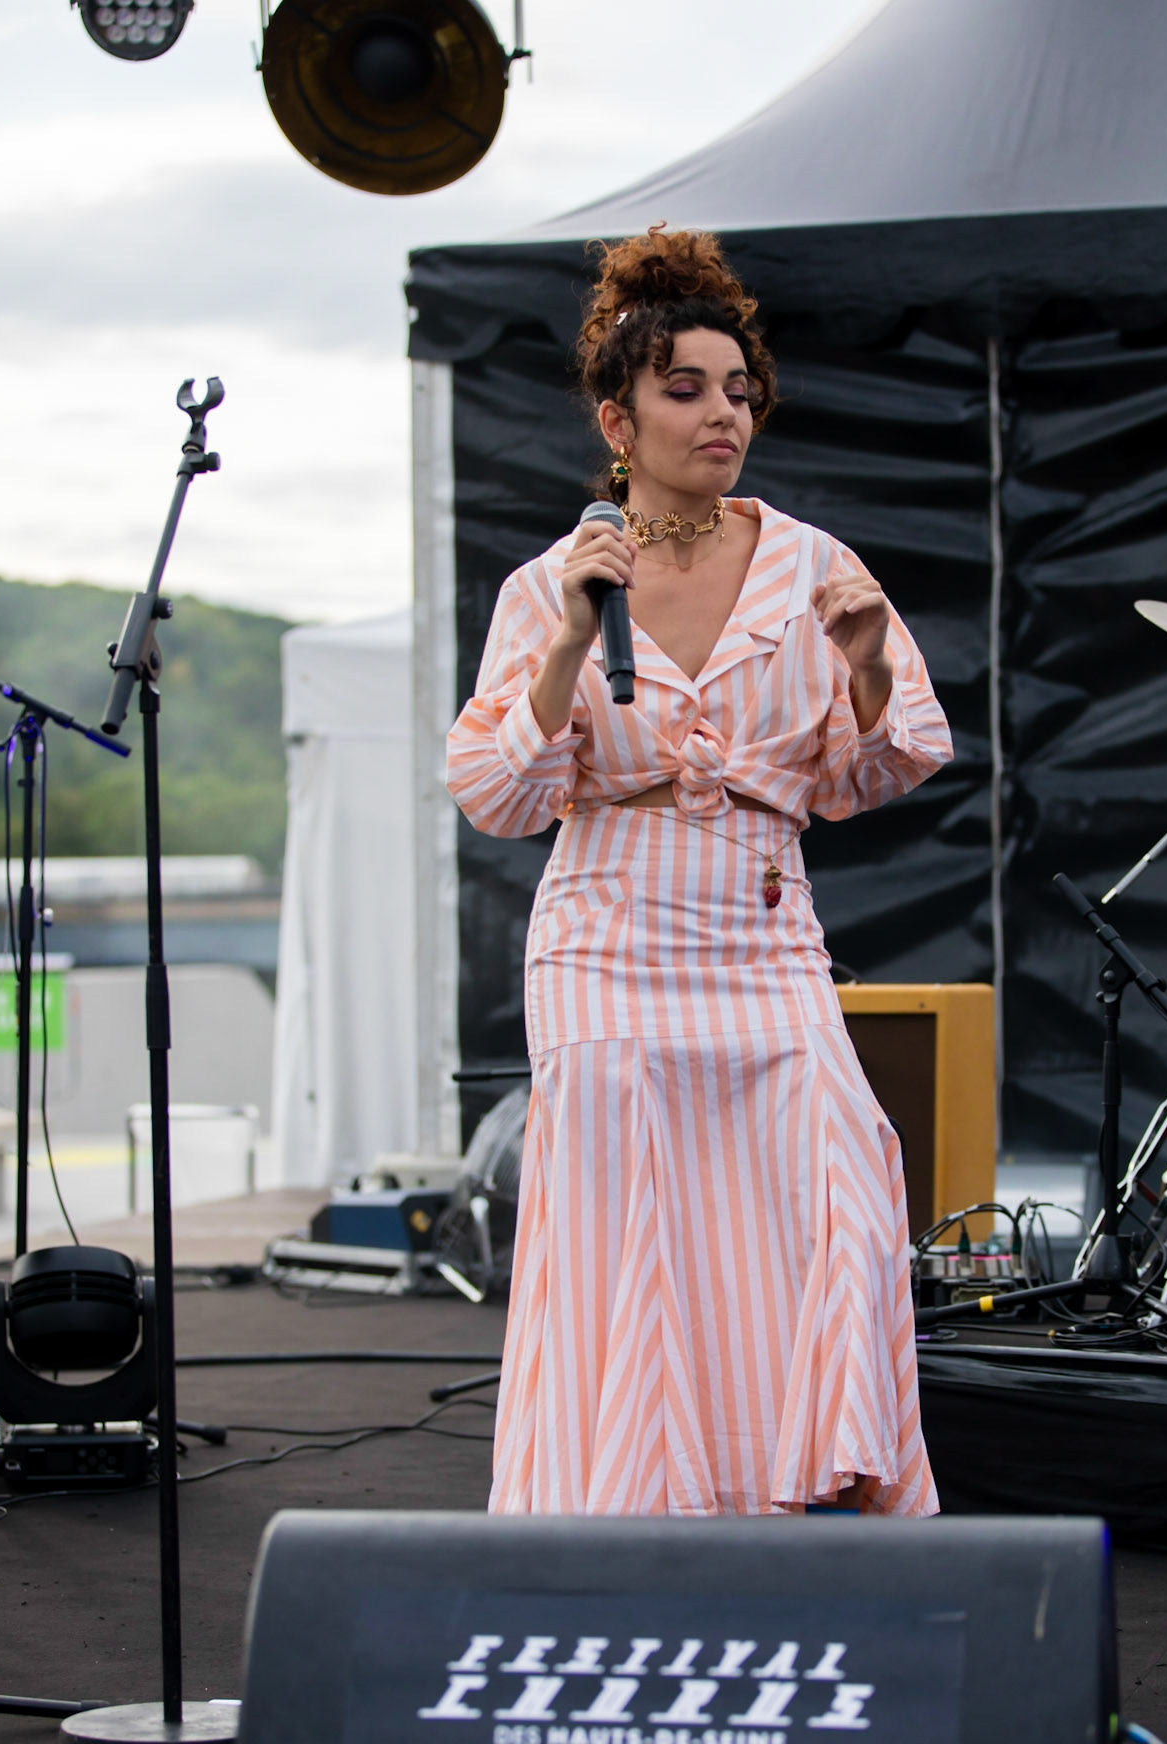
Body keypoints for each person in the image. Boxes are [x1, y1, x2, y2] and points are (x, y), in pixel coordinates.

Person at [446, 226, 953, 1517]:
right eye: (685, 389)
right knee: (633, 1248)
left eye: (738, 390)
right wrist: (568, 637)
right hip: (605, 938)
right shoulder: (548, 585)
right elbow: (499, 798)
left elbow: (877, 771)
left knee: (838, 1175)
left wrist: (871, 668)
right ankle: (629, 1515)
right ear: (618, 419)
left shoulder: (814, 567)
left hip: (758, 933)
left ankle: (808, 1488)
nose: (722, 413)